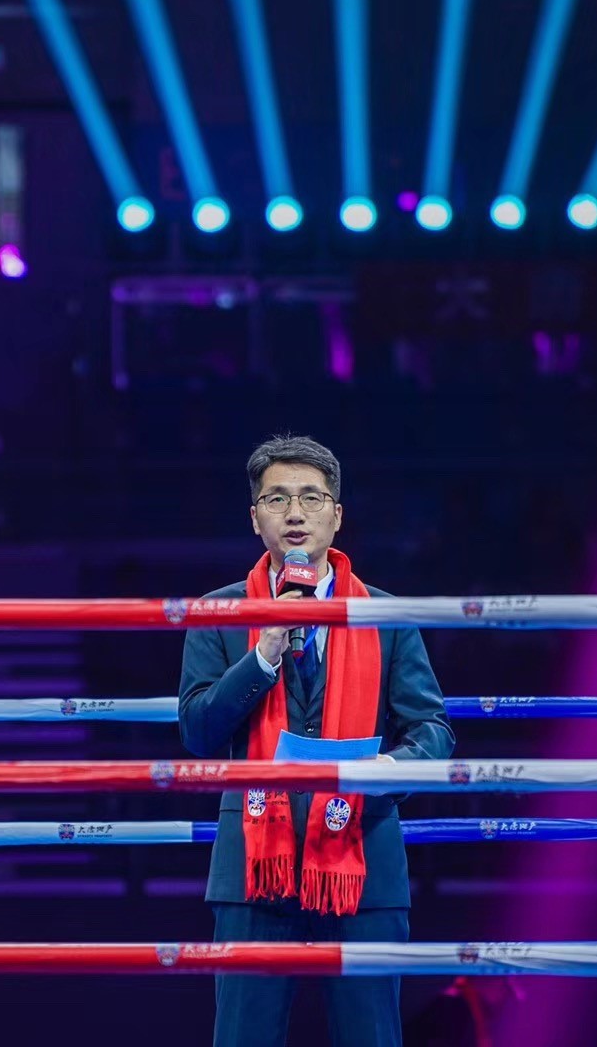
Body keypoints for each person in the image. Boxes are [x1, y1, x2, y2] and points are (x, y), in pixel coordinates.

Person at [178, 434, 455, 1047]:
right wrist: (264, 654)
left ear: (337, 514)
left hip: (363, 859)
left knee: (371, 1036)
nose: (295, 513)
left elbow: (433, 731)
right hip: (254, 870)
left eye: (311, 497)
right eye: (277, 499)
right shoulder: (218, 612)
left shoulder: (386, 613)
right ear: (255, 519)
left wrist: (386, 768)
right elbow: (197, 730)